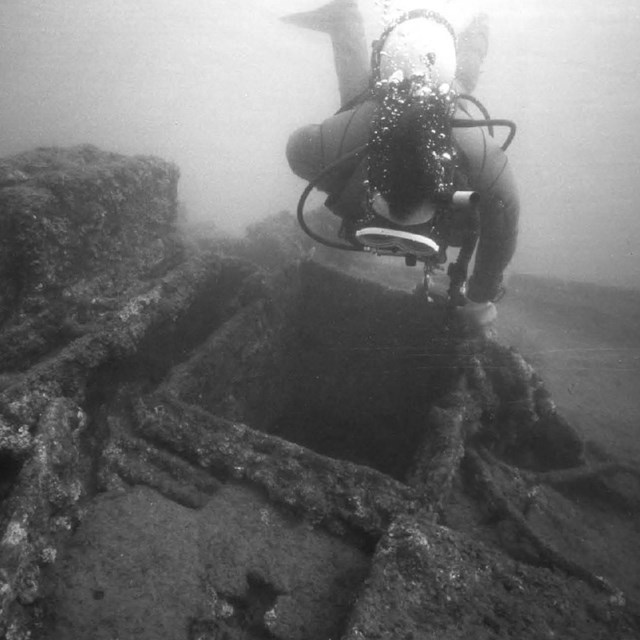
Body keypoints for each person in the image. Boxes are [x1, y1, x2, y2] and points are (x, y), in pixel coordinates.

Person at [283, 0, 519, 329]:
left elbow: (504, 222)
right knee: (367, 94)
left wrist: (481, 297)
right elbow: (298, 149)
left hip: (432, 81)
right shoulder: (337, 145)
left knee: (460, 80)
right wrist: (478, 299)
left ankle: (478, 30)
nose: (395, 244)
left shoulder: (482, 165)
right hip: (381, 97)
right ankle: (345, 18)